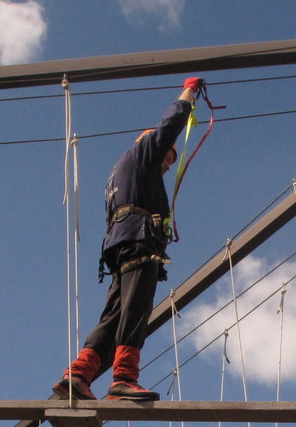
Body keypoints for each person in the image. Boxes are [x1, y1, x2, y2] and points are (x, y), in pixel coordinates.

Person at [53, 77, 206, 402]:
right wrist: (189, 94)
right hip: (138, 244)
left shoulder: (123, 172)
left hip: (121, 246)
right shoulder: (142, 153)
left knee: (114, 316)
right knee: (136, 311)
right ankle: (123, 378)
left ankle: (78, 374)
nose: (167, 165)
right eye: (167, 157)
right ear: (151, 143)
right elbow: (170, 124)